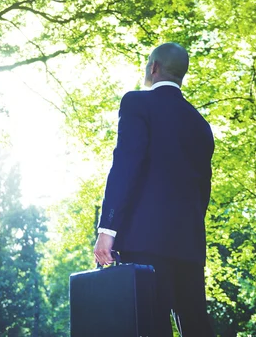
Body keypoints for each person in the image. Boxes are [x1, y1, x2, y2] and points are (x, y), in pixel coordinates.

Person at [94, 42, 215, 336]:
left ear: (154, 67)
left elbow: (126, 164)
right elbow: (203, 190)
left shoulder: (137, 103)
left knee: (150, 325)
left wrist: (107, 229)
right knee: (196, 325)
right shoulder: (201, 124)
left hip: (144, 241)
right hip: (190, 244)